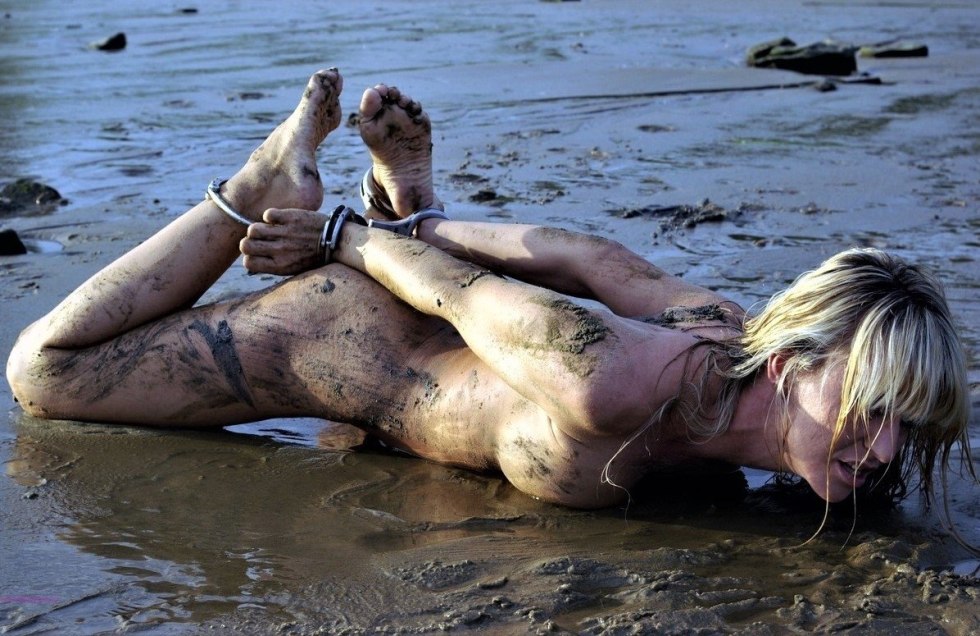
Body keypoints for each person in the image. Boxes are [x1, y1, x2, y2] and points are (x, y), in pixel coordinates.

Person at [5, 69, 974, 529]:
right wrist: (346, 236)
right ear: (795, 361)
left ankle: (412, 199)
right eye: (870, 407)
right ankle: (260, 183)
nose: (882, 446)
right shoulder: (619, 377)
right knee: (41, 373)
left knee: (434, 327)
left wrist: (422, 224)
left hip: (440, 351)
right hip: (339, 337)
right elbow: (462, 293)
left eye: (900, 421)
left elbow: (587, 255)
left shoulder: (724, 329)